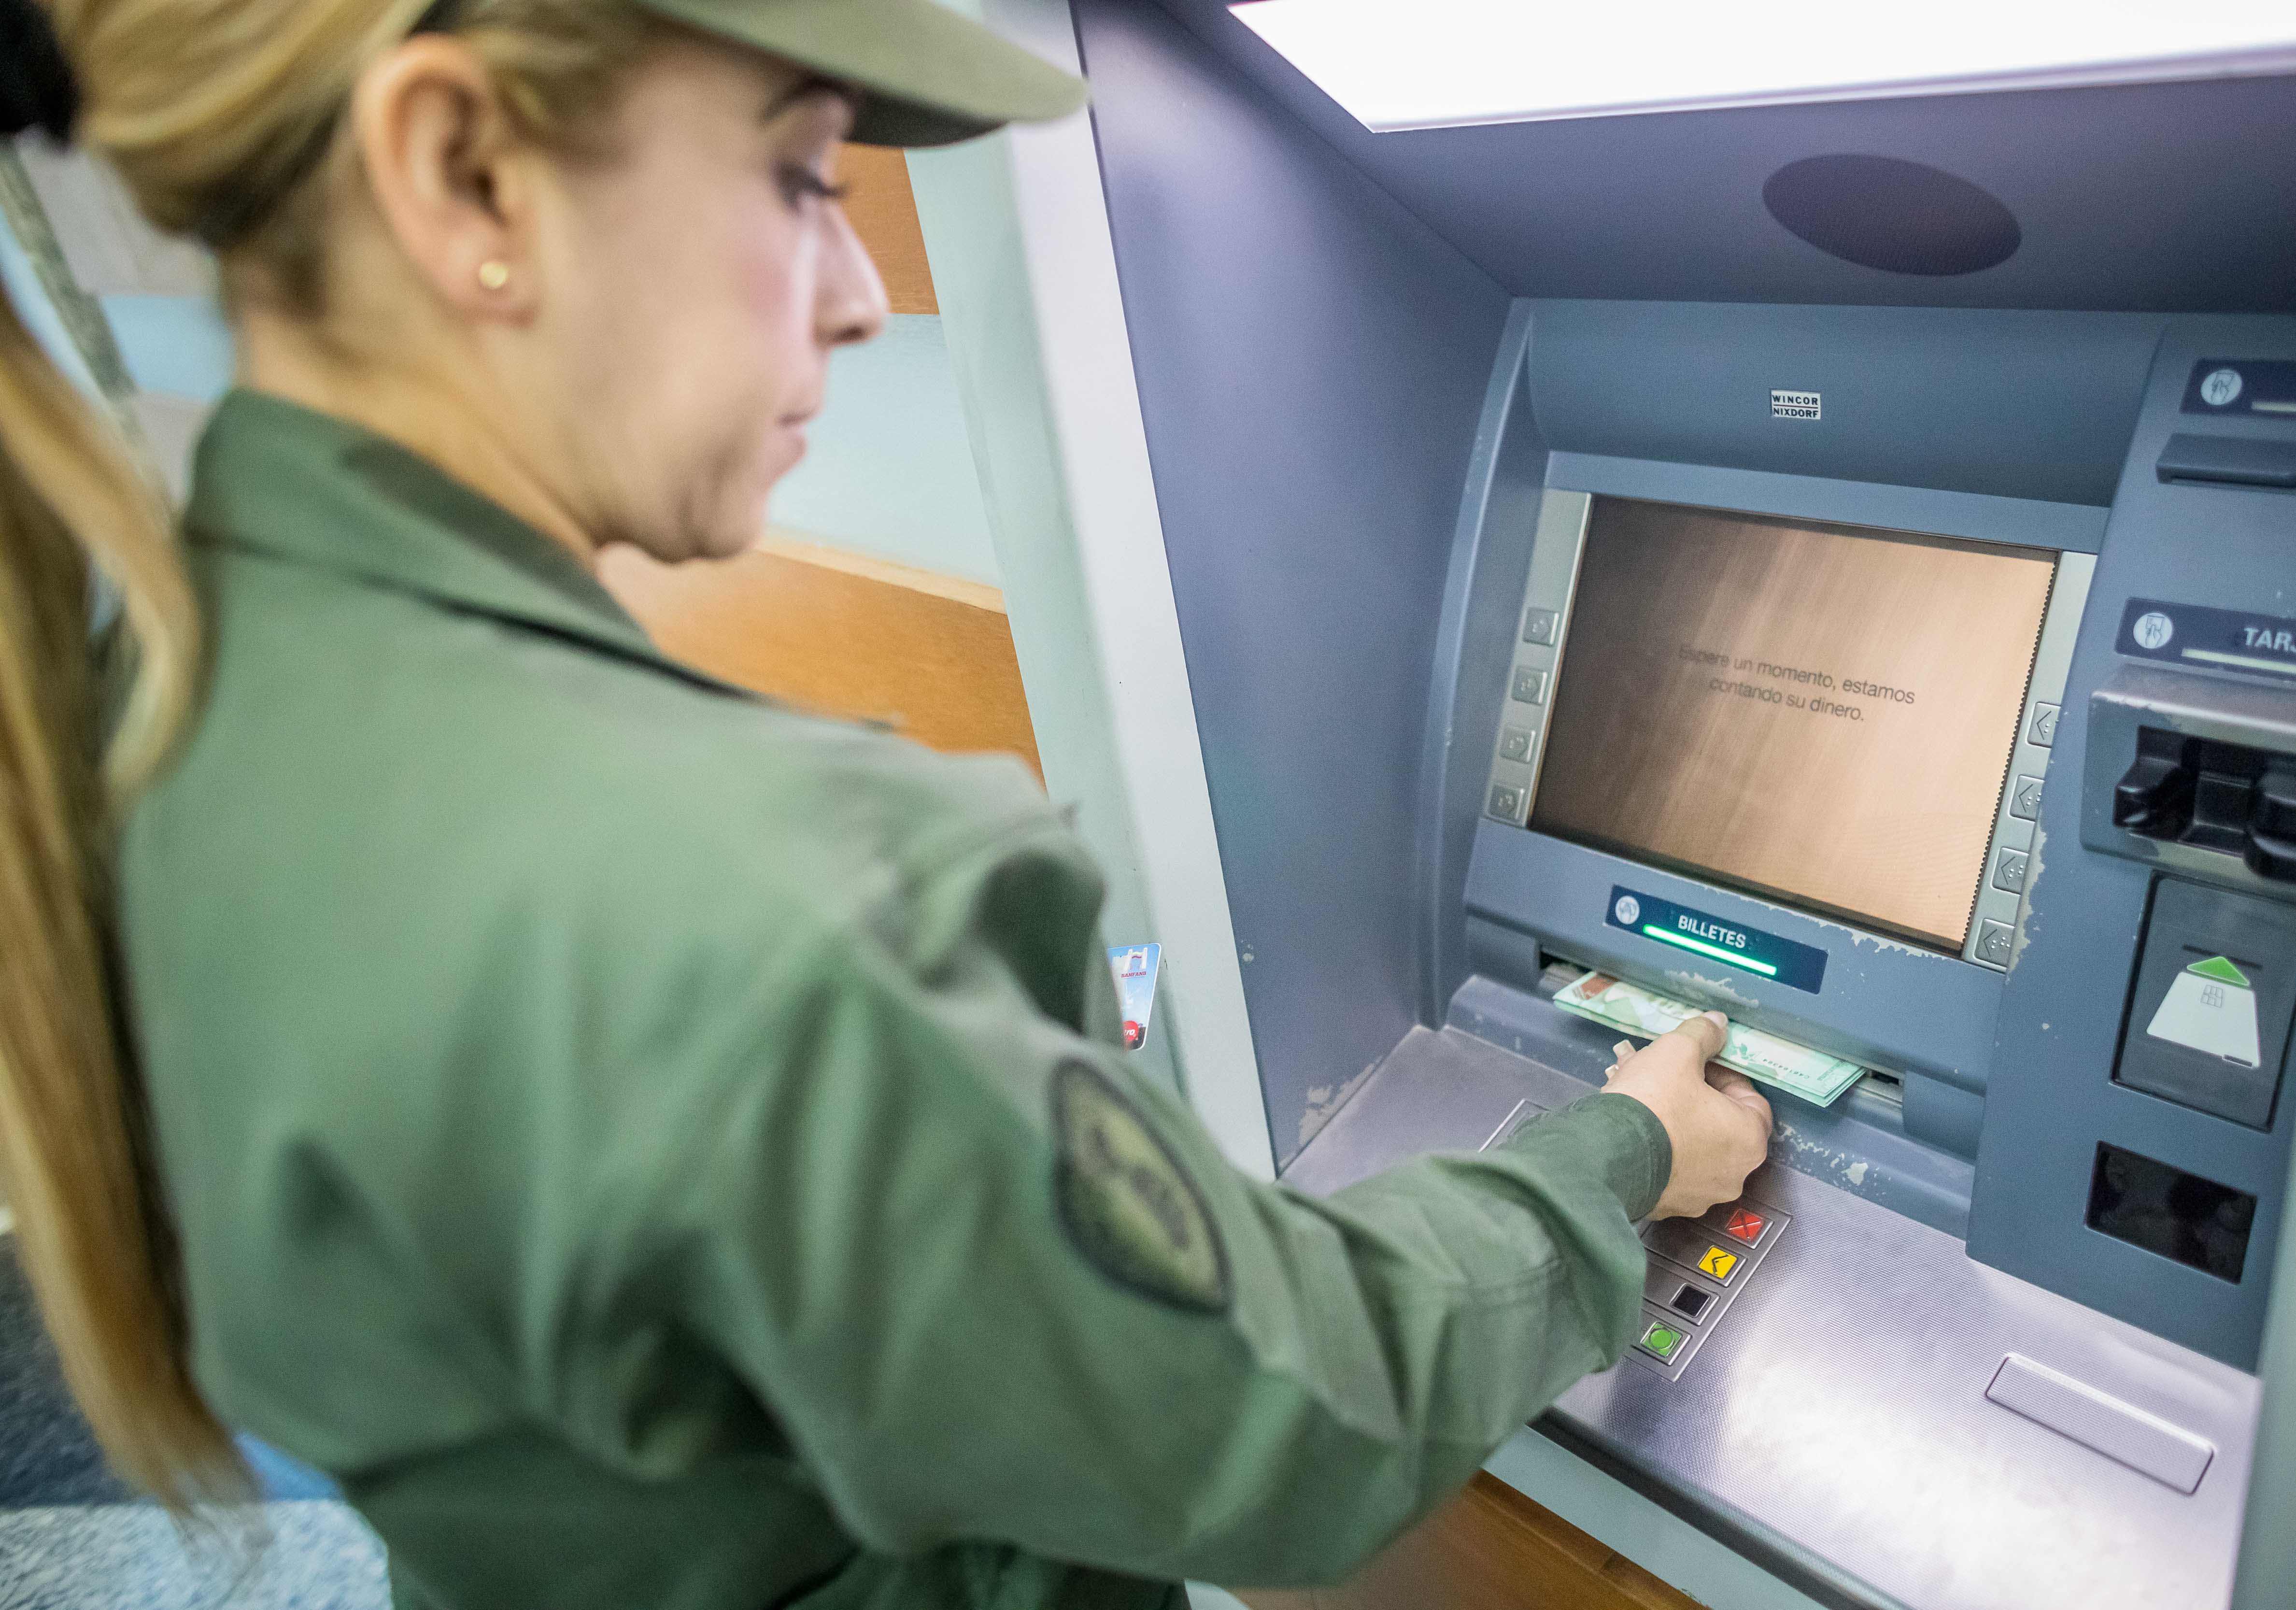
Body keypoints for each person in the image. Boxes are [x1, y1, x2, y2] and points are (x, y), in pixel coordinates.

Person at [0, 0, 1775, 1605]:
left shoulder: (150, 708)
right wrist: (1621, 1153)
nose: (856, 290)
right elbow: (1301, 1414)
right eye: (796, 175)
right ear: (466, 174)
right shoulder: (779, 912)